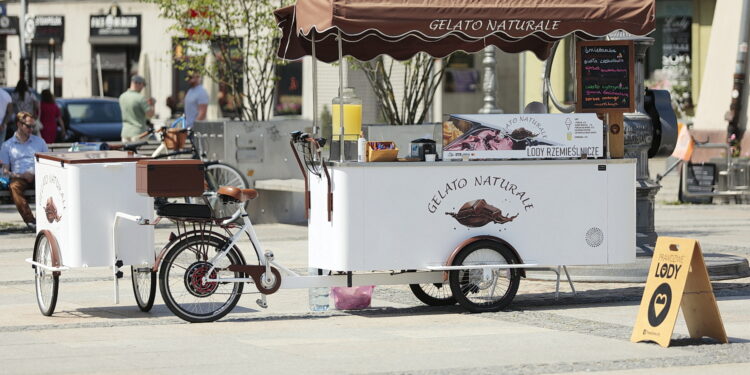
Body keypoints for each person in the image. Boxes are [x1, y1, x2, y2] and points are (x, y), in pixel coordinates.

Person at [0, 112, 49, 231]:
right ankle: (31, 221)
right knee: (14, 186)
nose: (31, 129)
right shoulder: (7, 145)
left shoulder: (39, 142)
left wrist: (34, 173)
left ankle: (46, 219)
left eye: (33, 126)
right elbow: (4, 171)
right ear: (19, 124)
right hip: (19, 176)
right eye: (28, 126)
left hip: (39, 174)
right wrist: (20, 175)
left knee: (48, 184)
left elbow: (48, 163)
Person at [119, 75, 155, 142]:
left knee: (127, 152)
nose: (142, 88)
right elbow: (150, 115)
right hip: (138, 133)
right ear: (137, 83)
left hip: (125, 132)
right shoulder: (140, 98)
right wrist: (152, 105)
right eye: (142, 85)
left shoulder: (122, 96)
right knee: (140, 152)